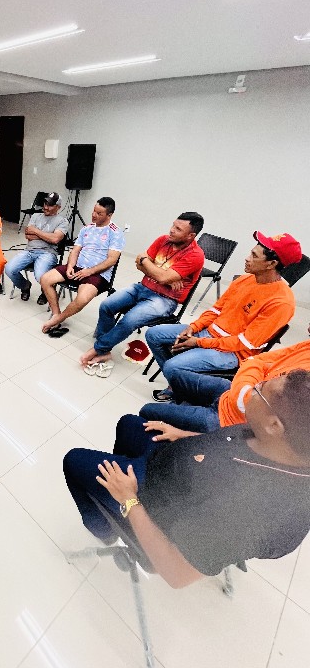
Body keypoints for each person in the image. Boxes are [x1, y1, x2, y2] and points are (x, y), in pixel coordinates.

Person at [63, 370, 310, 588]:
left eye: (259, 390)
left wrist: (128, 500)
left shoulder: (253, 512)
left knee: (73, 461)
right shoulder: (278, 442)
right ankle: (113, 494)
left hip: (158, 506)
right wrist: (182, 435)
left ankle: (106, 530)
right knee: (128, 424)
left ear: (274, 425)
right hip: (174, 468)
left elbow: (176, 575)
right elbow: (227, 445)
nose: (254, 387)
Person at [146, 231, 301, 401]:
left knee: (172, 366)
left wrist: (199, 342)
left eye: (254, 256)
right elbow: (216, 310)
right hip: (209, 334)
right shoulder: (245, 279)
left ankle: (179, 384)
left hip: (233, 352)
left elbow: (244, 342)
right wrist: (194, 327)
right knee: (153, 334)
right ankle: (180, 383)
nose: (247, 258)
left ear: (271, 264)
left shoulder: (281, 302)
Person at [79, 212, 204, 374]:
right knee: (106, 305)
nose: (172, 230)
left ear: (190, 236)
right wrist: (159, 273)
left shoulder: (195, 255)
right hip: (142, 287)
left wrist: (151, 267)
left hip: (164, 299)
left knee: (128, 321)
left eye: (178, 229)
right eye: (173, 225)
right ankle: (104, 350)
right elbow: (139, 263)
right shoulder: (163, 240)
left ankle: (99, 348)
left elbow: (157, 272)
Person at [137, 326, 310, 433]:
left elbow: (247, 401)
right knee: (175, 375)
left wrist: (201, 342)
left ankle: (183, 419)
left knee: (147, 410)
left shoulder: (305, 384)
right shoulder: (307, 346)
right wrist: (196, 328)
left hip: (230, 420)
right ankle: (182, 406)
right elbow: (258, 360)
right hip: (230, 390)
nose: (307, 326)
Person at [40, 197, 125, 337]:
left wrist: (89, 271)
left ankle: (59, 319)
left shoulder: (115, 233)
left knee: (82, 299)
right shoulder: (87, 228)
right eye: (94, 211)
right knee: (45, 279)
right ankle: (56, 314)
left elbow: (111, 260)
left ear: (109, 215)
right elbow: (75, 250)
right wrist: (70, 266)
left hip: (98, 273)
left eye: (99, 213)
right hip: (78, 267)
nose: (94, 215)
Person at [5, 192, 69, 302]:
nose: (46, 207)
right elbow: (28, 235)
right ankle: (25, 286)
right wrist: (47, 236)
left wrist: (36, 231)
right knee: (9, 269)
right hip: (29, 251)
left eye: (50, 205)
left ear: (58, 207)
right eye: (45, 203)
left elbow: (55, 239)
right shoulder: (35, 216)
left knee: (40, 276)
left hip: (48, 253)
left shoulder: (62, 221)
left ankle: (46, 291)